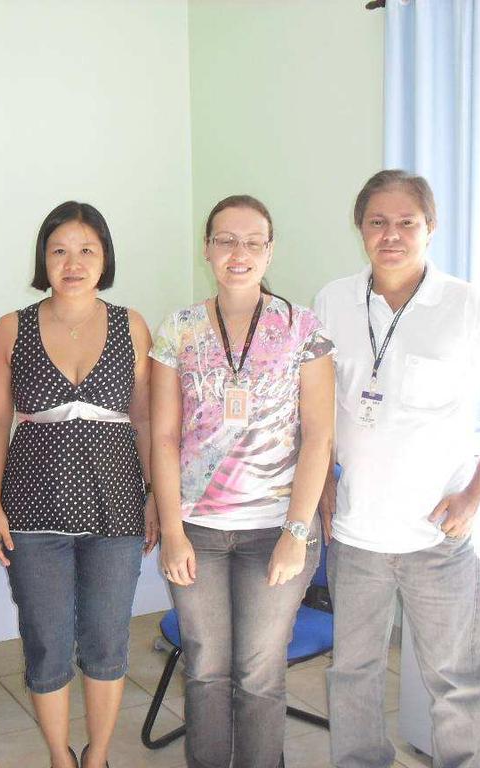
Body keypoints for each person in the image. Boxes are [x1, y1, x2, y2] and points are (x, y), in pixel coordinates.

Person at [314, 169, 480, 768]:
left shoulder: (466, 305)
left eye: (406, 222)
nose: (391, 235)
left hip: (438, 534)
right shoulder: (333, 300)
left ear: (429, 227)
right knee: (352, 672)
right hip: (356, 533)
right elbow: (318, 403)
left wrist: (474, 494)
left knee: (454, 679)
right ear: (360, 229)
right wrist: (323, 483)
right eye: (377, 222)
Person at [150, 195, 335, 768]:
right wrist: (174, 531)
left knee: (259, 671)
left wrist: (297, 532)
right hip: (198, 531)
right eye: (226, 239)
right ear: (206, 248)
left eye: (254, 241)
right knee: (205, 668)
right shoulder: (178, 329)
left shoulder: (303, 327)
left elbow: (319, 437)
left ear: (270, 250)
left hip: (276, 532)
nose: (240, 253)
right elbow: (161, 438)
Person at [0, 201, 158, 768]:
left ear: (104, 257)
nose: (73, 262)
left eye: (86, 250)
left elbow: (147, 419)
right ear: (43, 259)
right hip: (33, 511)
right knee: (46, 642)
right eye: (59, 250)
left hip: (117, 511)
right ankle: (60, 756)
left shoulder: (132, 325)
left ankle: (98, 755)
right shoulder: (12, 328)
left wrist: (154, 498)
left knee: (107, 641)